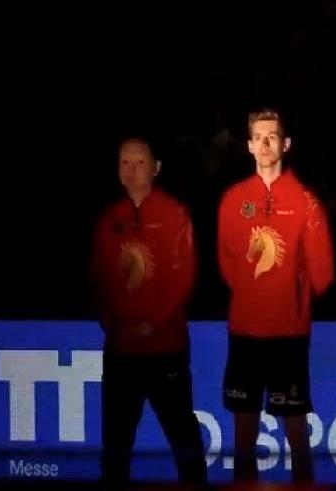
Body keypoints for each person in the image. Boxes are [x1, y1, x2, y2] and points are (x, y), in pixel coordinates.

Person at [218, 108, 334, 482]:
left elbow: (323, 273)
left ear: (286, 144)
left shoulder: (306, 201)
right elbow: (227, 263)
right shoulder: (233, 199)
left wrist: (292, 298)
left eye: (272, 136)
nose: (265, 143)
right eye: (258, 137)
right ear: (249, 146)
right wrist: (254, 294)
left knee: (296, 434)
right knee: (243, 436)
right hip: (245, 332)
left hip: (289, 335)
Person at [91, 137, 207, 484]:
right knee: (116, 443)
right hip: (120, 352)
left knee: (183, 436)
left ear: (156, 168)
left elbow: (183, 279)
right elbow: (97, 279)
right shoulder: (108, 219)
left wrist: (151, 326)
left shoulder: (175, 214)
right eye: (125, 162)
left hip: (165, 350)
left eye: (140, 162)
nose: (132, 169)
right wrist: (113, 325)